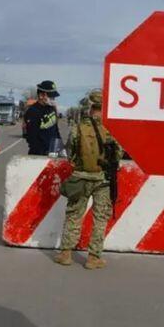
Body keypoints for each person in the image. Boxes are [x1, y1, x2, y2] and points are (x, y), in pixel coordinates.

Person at [54, 89, 122, 269]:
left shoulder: (78, 127)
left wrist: (79, 164)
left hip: (81, 178)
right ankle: (93, 257)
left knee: (74, 215)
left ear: (90, 106)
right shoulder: (113, 127)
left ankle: (66, 254)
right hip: (104, 179)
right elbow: (118, 153)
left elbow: (70, 151)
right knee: (100, 218)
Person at [23, 80, 61, 155]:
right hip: (39, 155)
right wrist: (44, 153)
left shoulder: (51, 108)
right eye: (51, 96)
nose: (53, 99)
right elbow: (32, 138)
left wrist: (59, 147)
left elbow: (55, 130)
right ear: (41, 96)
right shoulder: (32, 112)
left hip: (53, 152)